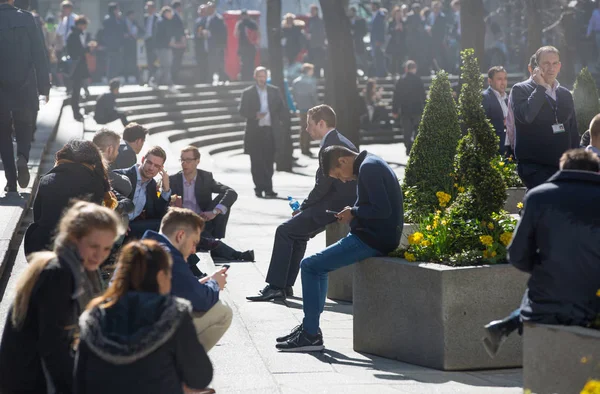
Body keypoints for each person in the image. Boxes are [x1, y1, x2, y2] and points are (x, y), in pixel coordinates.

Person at [276, 145, 403, 351]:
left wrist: (353, 211)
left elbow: (382, 209)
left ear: (343, 160)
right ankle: (310, 328)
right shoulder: (371, 162)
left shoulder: (368, 168)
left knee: (309, 266)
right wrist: (353, 211)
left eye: (338, 174)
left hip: (373, 239)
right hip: (375, 236)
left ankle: (310, 334)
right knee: (317, 267)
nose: (342, 180)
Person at [483, 149, 600, 357]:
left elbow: (517, 254)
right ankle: (506, 324)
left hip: (545, 302)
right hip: (593, 302)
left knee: (545, 279)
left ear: (562, 169)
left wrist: (544, 267)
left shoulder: (538, 196)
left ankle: (507, 324)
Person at [0, 201, 123, 394]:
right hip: (31, 380)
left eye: (107, 248)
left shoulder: (75, 269)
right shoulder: (58, 275)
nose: (100, 255)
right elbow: (53, 347)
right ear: (74, 238)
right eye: (94, 246)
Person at [247, 105, 357, 302]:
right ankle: (285, 286)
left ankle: (276, 286)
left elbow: (322, 186)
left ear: (321, 123)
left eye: (309, 124)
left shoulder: (331, 145)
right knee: (297, 233)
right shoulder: (337, 140)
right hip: (336, 201)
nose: (307, 129)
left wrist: (304, 208)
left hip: (335, 205)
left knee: (284, 230)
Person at [75, 239, 214, 393]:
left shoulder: (94, 316)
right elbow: (201, 376)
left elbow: (79, 379)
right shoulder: (174, 314)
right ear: (161, 276)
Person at [141, 208, 233, 352]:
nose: (193, 250)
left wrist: (204, 282)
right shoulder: (169, 257)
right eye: (194, 242)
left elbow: (181, 288)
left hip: (131, 329)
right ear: (181, 236)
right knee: (222, 311)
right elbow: (200, 301)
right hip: (146, 339)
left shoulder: (146, 246)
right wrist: (214, 283)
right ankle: (183, 366)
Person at [24, 140, 113, 255]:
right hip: (77, 250)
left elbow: (38, 216)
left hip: (40, 247)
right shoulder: (96, 184)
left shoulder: (46, 180)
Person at [169, 146, 254, 263]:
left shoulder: (206, 177)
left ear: (197, 161)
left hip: (203, 220)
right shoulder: (173, 180)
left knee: (223, 199)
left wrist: (214, 212)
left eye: (188, 160)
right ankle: (235, 254)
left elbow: (231, 192)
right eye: (182, 160)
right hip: (184, 223)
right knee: (200, 235)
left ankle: (215, 244)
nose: (184, 163)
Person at [512, 46, 579, 189]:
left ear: (560, 66)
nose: (551, 68)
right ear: (537, 67)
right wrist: (541, 88)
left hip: (562, 167)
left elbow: (572, 131)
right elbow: (527, 116)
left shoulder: (565, 94)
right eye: (546, 63)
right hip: (534, 168)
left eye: (555, 63)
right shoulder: (520, 90)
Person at [0, 0, 50, 193]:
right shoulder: (27, 18)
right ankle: (22, 156)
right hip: (25, 83)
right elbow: (39, 53)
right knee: (25, 127)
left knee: (2, 134)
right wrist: (44, 86)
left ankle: (11, 181)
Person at [238, 67, 287, 198]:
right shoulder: (248, 92)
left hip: (270, 131)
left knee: (269, 161)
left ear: (266, 77)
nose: (261, 78)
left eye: (263, 76)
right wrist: (255, 115)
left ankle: (268, 188)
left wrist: (280, 122)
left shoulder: (274, 91)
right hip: (255, 132)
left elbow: (282, 109)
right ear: (255, 77)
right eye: (259, 76)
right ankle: (259, 188)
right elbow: (242, 111)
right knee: (256, 162)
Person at [115, 145, 171, 238]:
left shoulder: (151, 185)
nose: (151, 168)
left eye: (156, 166)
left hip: (132, 227)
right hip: (116, 224)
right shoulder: (121, 176)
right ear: (142, 160)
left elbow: (158, 215)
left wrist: (166, 189)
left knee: (165, 224)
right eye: (149, 162)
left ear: (161, 168)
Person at [392, 60, 426, 155]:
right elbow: (423, 95)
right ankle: (415, 146)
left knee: (407, 130)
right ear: (414, 68)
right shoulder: (418, 80)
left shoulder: (401, 80)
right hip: (417, 109)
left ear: (406, 69)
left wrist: (395, 109)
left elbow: (396, 96)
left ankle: (408, 147)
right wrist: (425, 106)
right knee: (417, 128)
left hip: (405, 109)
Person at [505, 55, 536, 156]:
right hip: (525, 150)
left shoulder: (557, 90)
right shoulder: (519, 89)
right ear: (530, 68)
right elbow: (511, 120)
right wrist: (514, 145)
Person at [92, 129, 133, 196]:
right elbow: (126, 187)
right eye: (117, 149)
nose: (118, 153)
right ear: (110, 149)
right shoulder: (101, 171)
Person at [66, 15, 91, 122]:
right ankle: (76, 113)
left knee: (77, 90)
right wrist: (88, 48)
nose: (85, 27)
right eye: (84, 25)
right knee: (76, 90)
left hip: (78, 66)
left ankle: (77, 112)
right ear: (80, 25)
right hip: (76, 67)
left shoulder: (75, 34)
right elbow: (77, 51)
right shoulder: (74, 35)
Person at [292, 63, 319, 157]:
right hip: (310, 107)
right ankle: (306, 147)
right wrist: (317, 105)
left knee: (303, 128)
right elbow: (313, 95)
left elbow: (294, 95)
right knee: (309, 128)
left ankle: (303, 146)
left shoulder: (296, 81)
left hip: (301, 107)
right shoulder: (310, 81)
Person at [482, 66, 509, 155]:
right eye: (499, 79)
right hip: (495, 148)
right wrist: (504, 123)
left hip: (509, 146)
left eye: (505, 79)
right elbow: (482, 123)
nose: (503, 83)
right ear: (490, 81)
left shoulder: (507, 98)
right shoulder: (485, 97)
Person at [154, 6, 179, 93]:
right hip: (163, 48)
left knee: (163, 66)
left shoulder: (166, 22)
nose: (171, 15)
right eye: (170, 13)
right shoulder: (162, 22)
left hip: (166, 47)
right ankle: (170, 84)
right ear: (165, 13)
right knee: (166, 66)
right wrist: (169, 42)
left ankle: (154, 81)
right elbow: (161, 36)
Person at [201, 2, 228, 83]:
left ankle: (221, 78)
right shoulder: (208, 18)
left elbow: (222, 32)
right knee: (211, 62)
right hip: (210, 45)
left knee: (218, 62)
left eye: (209, 8)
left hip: (217, 45)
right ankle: (211, 79)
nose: (207, 10)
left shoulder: (218, 18)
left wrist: (209, 33)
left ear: (213, 9)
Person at [103, 2, 127, 80]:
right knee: (112, 63)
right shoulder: (109, 19)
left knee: (116, 62)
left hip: (117, 45)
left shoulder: (117, 19)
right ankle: (111, 78)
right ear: (114, 10)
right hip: (112, 45)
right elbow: (117, 30)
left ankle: (114, 78)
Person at [234, 9, 259, 81]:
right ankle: (251, 77)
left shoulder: (240, 23)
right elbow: (258, 34)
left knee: (243, 62)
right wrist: (256, 44)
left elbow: (236, 34)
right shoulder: (253, 23)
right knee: (251, 62)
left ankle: (244, 77)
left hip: (243, 46)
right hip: (251, 46)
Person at [305, 5, 326, 78]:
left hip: (318, 45)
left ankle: (318, 76)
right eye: (311, 10)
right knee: (312, 62)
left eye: (313, 10)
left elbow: (321, 33)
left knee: (318, 63)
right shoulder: (310, 20)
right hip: (311, 45)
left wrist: (312, 36)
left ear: (317, 11)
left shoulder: (319, 21)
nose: (311, 12)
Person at [386, 6, 406, 76]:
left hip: (401, 44)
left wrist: (402, 29)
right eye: (397, 14)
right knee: (393, 59)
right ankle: (393, 73)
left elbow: (406, 33)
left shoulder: (403, 22)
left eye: (400, 14)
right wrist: (395, 29)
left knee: (401, 59)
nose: (398, 16)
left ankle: (401, 73)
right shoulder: (391, 22)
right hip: (394, 44)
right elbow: (388, 31)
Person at [370, 2, 387, 77]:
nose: (371, 6)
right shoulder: (374, 15)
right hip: (374, 40)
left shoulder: (380, 15)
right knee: (377, 58)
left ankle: (381, 73)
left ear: (376, 6)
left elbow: (381, 29)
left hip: (378, 41)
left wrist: (379, 40)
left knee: (379, 57)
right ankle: (379, 73)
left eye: (372, 5)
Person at [143, 1, 159, 86]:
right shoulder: (145, 18)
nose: (147, 10)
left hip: (155, 42)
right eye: (146, 8)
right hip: (147, 41)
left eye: (149, 8)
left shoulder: (157, 18)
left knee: (155, 61)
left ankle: (154, 79)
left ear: (153, 9)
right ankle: (150, 79)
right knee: (149, 61)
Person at [170, 1, 186, 84]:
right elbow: (176, 30)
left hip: (178, 41)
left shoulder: (177, 16)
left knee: (177, 60)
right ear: (178, 7)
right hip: (177, 42)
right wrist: (179, 41)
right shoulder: (174, 16)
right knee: (176, 60)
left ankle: (174, 77)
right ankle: (174, 78)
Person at [348, 6, 367, 71]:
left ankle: (365, 70)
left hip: (358, 42)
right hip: (350, 43)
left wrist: (355, 33)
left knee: (361, 57)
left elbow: (364, 31)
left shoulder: (360, 20)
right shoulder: (347, 20)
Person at [123, 10, 141, 83]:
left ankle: (136, 76)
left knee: (135, 61)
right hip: (126, 44)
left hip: (134, 44)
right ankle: (126, 77)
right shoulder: (123, 22)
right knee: (126, 61)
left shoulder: (135, 22)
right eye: (132, 15)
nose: (133, 17)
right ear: (128, 15)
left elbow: (140, 30)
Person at [194, 4, 209, 83]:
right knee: (200, 63)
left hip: (205, 46)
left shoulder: (207, 20)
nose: (201, 12)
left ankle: (205, 79)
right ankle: (202, 79)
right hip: (199, 46)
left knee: (205, 63)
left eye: (203, 11)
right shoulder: (198, 20)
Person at [586, 2, 600, 68]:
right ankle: (598, 64)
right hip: (598, 33)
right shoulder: (595, 12)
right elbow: (591, 23)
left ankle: (598, 64)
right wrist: (588, 32)